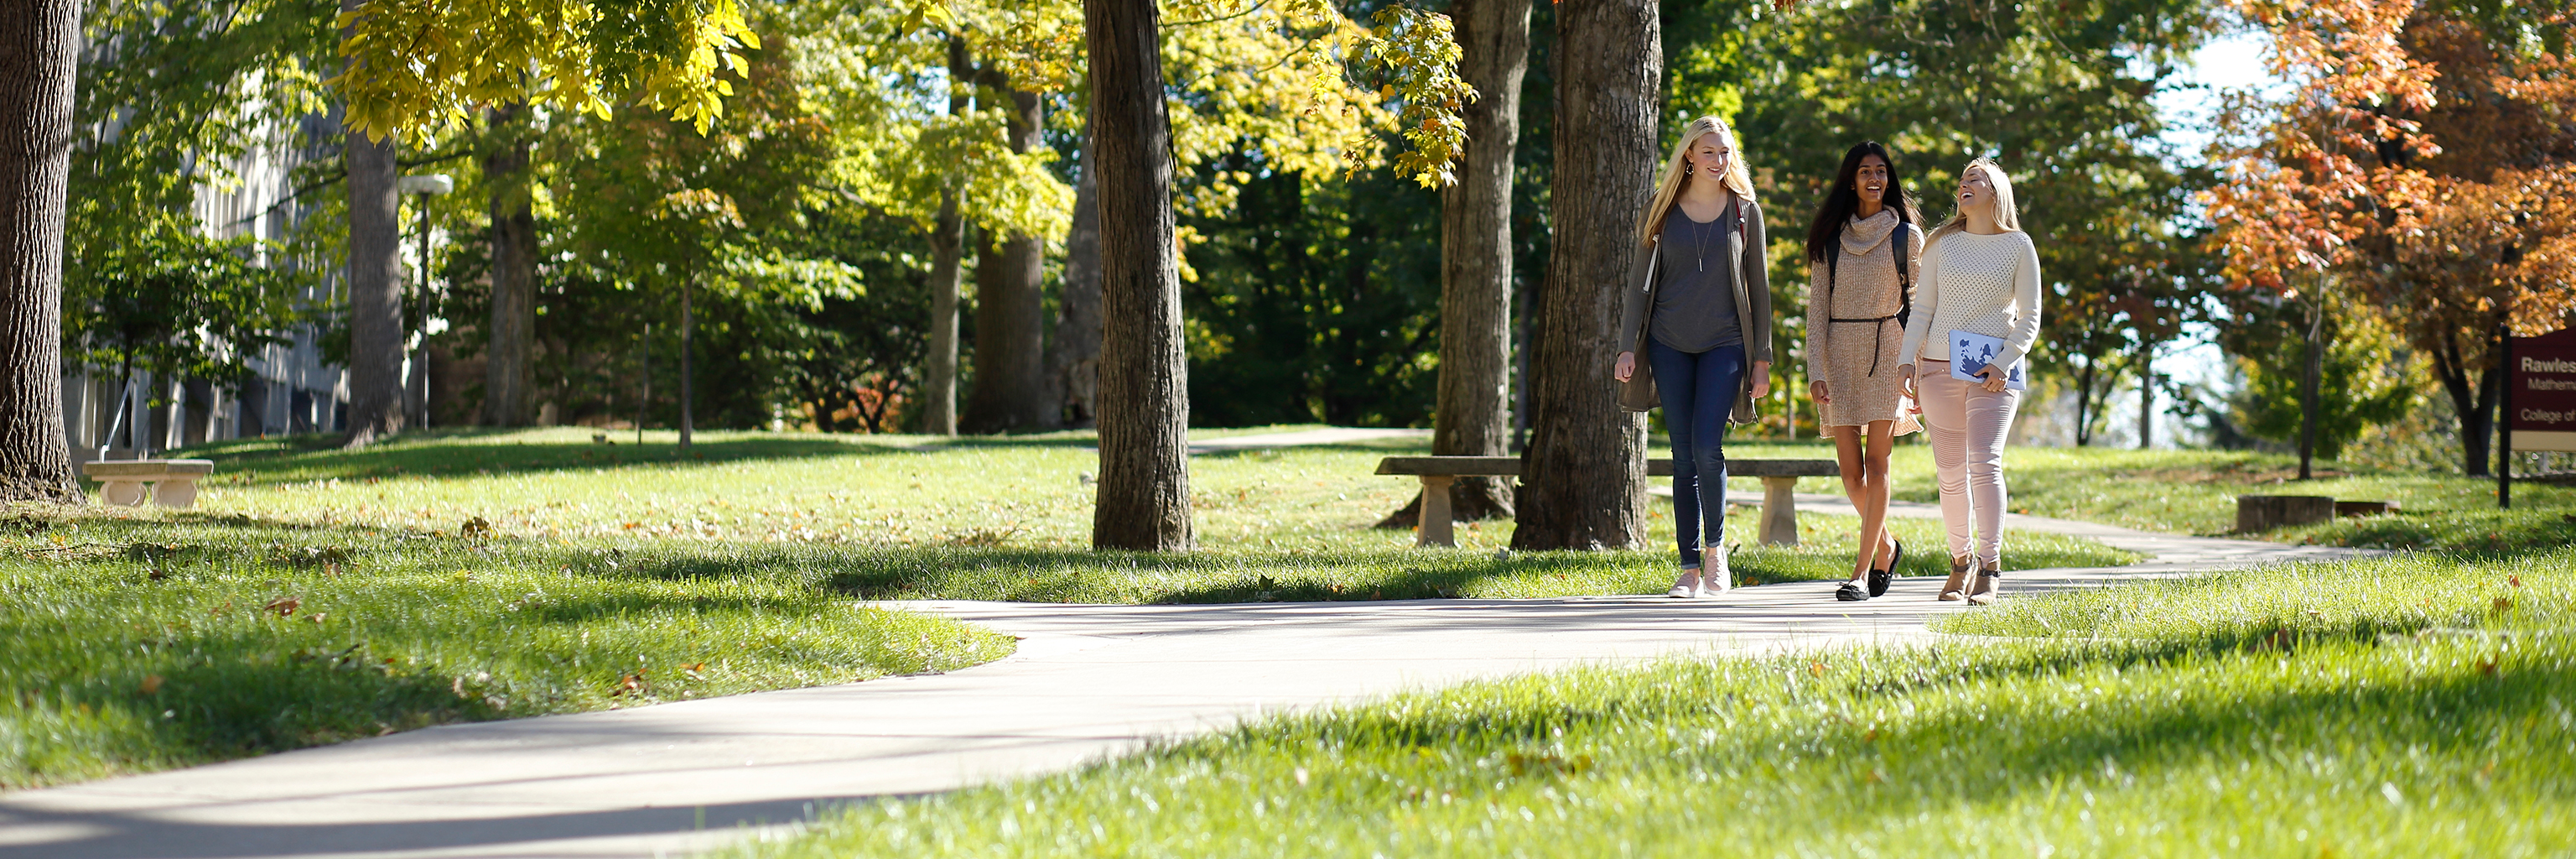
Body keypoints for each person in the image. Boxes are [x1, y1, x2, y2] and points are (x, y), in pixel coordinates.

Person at [1612, 116, 1773, 599]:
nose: (1718, 161)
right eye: (1709, 153)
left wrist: (1761, 357)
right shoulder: (1660, 211)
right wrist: (1626, 345)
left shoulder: (1745, 212)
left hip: (1725, 343)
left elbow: (1759, 290)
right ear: (1689, 155)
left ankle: (1716, 553)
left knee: (1707, 448)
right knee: (1682, 456)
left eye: (1725, 153)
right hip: (1667, 343)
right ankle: (1687, 567)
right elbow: (1638, 284)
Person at [1897, 158, 2042, 605]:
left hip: (1993, 374)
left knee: (1984, 460)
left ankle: (1991, 567)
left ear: (1996, 191)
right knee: (1949, 473)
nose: (1965, 184)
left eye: (1975, 179)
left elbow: (2030, 318)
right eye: (1962, 180)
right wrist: (1907, 362)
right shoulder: (1941, 243)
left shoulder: (2019, 245)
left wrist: (2003, 362)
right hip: (1939, 368)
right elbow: (1922, 309)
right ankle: (1960, 564)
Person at [1802, 142, 1924, 602]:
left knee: (1877, 464)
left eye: (1881, 171)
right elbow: (1816, 311)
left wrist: (1917, 364)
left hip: (1888, 352)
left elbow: (1922, 306)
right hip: (1839, 354)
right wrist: (1817, 369)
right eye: (1864, 171)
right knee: (1851, 475)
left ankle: (1860, 571)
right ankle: (1888, 546)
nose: (1874, 179)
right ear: (1850, 180)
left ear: (1888, 179)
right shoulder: (1829, 237)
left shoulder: (1907, 237)